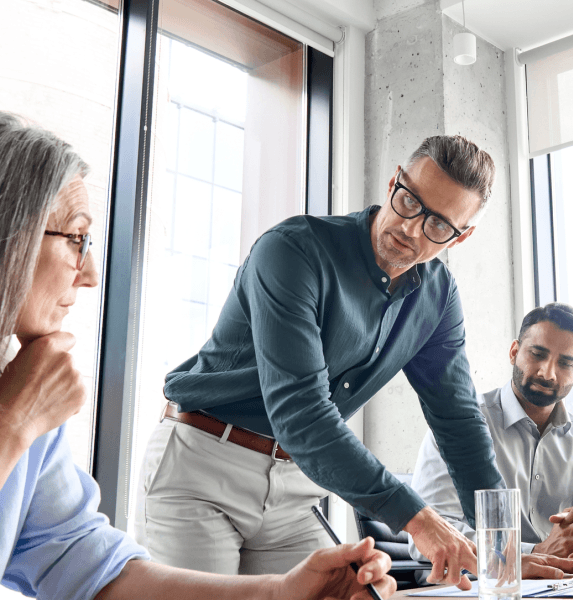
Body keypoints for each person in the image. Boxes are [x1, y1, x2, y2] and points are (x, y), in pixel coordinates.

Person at [135, 134, 573, 589]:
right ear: (395, 181)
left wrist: (505, 554)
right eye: (410, 201)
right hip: (203, 464)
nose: (412, 229)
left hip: (295, 486)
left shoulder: (437, 297)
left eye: (439, 225)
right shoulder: (294, 251)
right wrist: (419, 520)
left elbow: (458, 423)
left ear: (461, 237)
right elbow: (302, 414)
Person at [0, 111, 397, 600]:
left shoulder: (23, 385)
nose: (91, 275)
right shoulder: (22, 403)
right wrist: (12, 424)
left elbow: (86, 566)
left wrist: (280, 594)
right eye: (76, 240)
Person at [408, 303, 573, 571]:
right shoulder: (458, 423)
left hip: (561, 582)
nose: (548, 373)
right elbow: (430, 533)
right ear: (514, 352)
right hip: (475, 584)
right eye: (537, 354)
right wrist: (533, 552)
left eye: (566, 363)